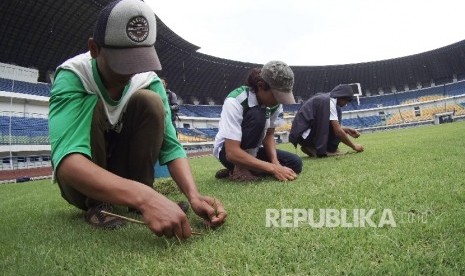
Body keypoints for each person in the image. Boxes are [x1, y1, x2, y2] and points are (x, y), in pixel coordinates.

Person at [48, 0, 226, 239]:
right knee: (95, 103)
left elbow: (171, 146)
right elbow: (68, 163)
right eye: (122, 61)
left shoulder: (148, 80)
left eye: (139, 59)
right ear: (94, 48)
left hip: (126, 174)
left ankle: (138, 199)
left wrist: (193, 195)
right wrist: (146, 198)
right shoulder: (74, 75)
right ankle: (99, 204)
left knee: (150, 101)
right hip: (82, 186)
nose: (131, 71)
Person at [213, 61, 303, 182]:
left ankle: (243, 169)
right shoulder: (235, 101)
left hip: (253, 151)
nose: (278, 101)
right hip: (228, 153)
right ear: (260, 86)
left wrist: (275, 163)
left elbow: (269, 136)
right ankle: (239, 168)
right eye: (276, 95)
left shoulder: (275, 105)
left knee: (295, 163)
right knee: (258, 115)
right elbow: (231, 152)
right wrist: (273, 169)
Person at [289, 84, 364, 157]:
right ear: (342, 97)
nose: (345, 104)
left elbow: (324, 124)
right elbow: (338, 132)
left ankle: (313, 147)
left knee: (337, 113)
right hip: (306, 136)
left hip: (303, 135)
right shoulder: (329, 102)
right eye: (346, 101)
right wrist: (354, 146)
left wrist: (346, 130)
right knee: (338, 110)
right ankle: (316, 148)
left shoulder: (325, 99)